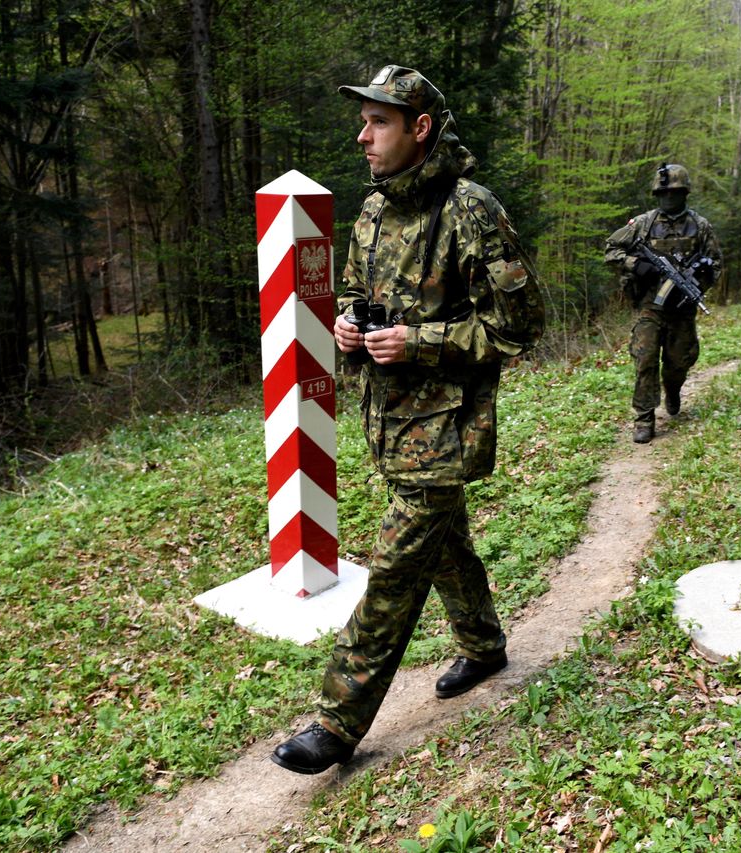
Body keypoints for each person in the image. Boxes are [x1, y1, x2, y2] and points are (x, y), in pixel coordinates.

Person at [271, 65, 544, 775]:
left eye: (378, 122)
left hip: (444, 425)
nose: (363, 136)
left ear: (420, 129)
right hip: (388, 420)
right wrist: (350, 328)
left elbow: (521, 324)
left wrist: (422, 341)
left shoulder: (470, 209)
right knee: (443, 537)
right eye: (362, 121)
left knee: (394, 567)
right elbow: (361, 293)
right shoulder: (373, 212)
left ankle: (336, 721)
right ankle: (483, 646)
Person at [604, 163, 723, 444]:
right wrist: (636, 264)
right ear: (657, 196)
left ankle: (673, 390)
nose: (669, 199)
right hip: (650, 306)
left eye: (675, 193)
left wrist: (698, 282)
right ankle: (644, 417)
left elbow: (716, 264)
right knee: (644, 358)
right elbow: (611, 249)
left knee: (678, 362)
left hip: (682, 310)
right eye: (663, 194)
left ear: (685, 193)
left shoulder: (700, 226)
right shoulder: (644, 224)